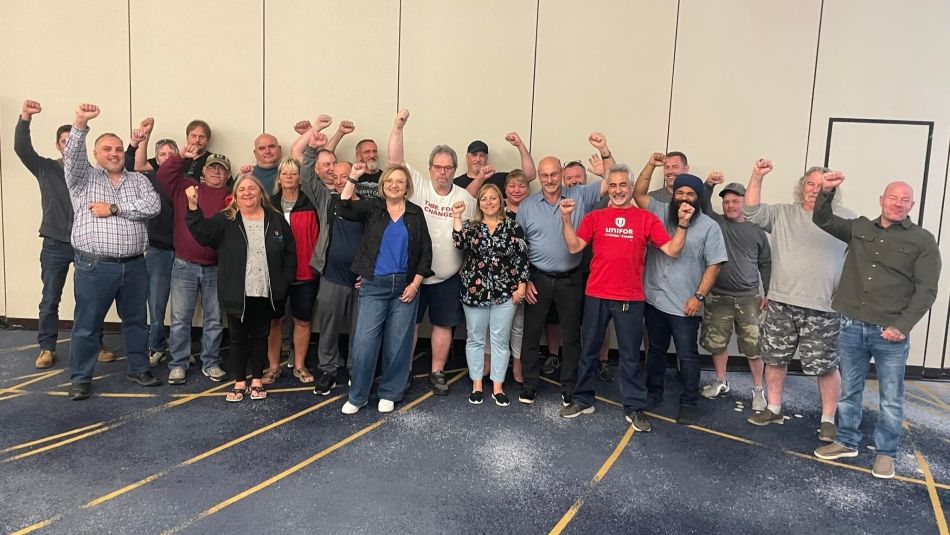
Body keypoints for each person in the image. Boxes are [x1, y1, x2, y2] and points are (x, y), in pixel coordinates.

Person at [811, 177, 940, 479]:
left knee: (891, 398)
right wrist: (826, 191)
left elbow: (927, 290)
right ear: (881, 199)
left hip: (890, 332)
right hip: (852, 325)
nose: (898, 203)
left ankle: (886, 454)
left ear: (912, 205)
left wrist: (902, 326)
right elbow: (822, 218)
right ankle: (846, 441)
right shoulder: (859, 228)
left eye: (904, 199)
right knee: (850, 390)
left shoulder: (922, 240)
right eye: (892, 197)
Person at [560, 165, 691, 430]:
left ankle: (634, 406)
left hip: (630, 297)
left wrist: (684, 224)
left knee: (631, 355)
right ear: (608, 187)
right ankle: (583, 399)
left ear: (631, 188)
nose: (618, 190)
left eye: (623, 185)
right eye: (614, 185)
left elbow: (673, 250)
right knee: (588, 350)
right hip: (596, 293)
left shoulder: (646, 219)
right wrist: (565, 219)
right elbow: (574, 247)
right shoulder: (595, 217)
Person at [743, 160, 854, 444]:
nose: (815, 190)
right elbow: (751, 210)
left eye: (822, 186)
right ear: (802, 187)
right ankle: (773, 408)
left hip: (823, 307)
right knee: (775, 360)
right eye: (810, 184)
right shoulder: (783, 214)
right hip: (781, 303)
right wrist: (757, 176)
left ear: (832, 190)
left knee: (826, 367)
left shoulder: (844, 219)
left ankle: (828, 419)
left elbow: (862, 259)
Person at [63, 103, 162, 400]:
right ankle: (80, 378)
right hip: (95, 266)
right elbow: (72, 158)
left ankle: (138, 368)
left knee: (136, 322)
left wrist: (114, 209)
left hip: (134, 265)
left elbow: (153, 207)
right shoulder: (83, 180)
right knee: (87, 324)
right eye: (107, 149)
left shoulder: (139, 180)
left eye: (119, 148)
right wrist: (80, 123)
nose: (115, 153)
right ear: (96, 154)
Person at [632, 153, 728, 425]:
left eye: (691, 194)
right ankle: (654, 392)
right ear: (673, 194)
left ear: (698, 198)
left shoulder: (709, 227)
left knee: (687, 356)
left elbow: (714, 265)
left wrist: (699, 297)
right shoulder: (660, 211)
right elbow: (638, 193)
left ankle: (688, 402)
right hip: (654, 299)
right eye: (680, 192)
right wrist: (651, 164)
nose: (685, 198)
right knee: (656, 351)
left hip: (685, 304)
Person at [185, 175, 296, 402]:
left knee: (260, 337)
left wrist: (283, 283)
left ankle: (256, 380)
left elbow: (290, 253)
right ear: (235, 195)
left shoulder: (275, 220)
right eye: (242, 189)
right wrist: (193, 206)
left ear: (260, 193)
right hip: (238, 292)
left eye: (252, 189)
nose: (247, 193)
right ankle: (239, 382)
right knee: (237, 338)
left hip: (265, 291)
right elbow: (203, 234)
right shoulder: (227, 219)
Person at [388, 109, 476, 396]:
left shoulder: (465, 198)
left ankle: (437, 371)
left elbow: (471, 237)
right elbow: (396, 161)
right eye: (438, 167)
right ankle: (405, 370)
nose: (443, 172)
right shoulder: (419, 187)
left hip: (448, 277)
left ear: (455, 169)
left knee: (443, 325)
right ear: (430, 169)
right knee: (408, 325)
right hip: (414, 274)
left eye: (449, 168)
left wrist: (464, 269)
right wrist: (398, 128)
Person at [336, 163, 433, 414]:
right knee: (365, 343)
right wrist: (353, 178)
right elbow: (343, 207)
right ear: (382, 184)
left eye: (400, 181)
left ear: (407, 186)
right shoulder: (373, 208)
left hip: (405, 287)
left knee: (397, 343)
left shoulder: (415, 213)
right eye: (390, 180)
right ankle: (357, 396)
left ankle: (390, 392)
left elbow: (425, 253)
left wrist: (415, 285)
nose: (394, 185)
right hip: (374, 286)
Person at [516, 149, 610, 405]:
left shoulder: (580, 194)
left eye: (554, 174)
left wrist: (605, 153)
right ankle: (530, 385)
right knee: (532, 335)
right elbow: (519, 247)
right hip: (538, 279)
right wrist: (526, 280)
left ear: (562, 174)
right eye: (544, 175)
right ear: (540, 177)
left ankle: (569, 387)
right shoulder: (527, 206)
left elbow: (612, 180)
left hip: (571, 279)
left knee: (571, 337)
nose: (549, 179)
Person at [157, 144, 231, 385]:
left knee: (214, 319)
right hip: (184, 265)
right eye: (212, 169)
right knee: (180, 318)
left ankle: (211, 362)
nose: (216, 173)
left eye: (222, 170)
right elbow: (163, 175)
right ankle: (178, 363)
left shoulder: (233, 196)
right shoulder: (187, 187)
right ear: (204, 172)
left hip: (217, 268)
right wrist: (181, 157)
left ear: (228, 175)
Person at [698, 176, 772, 411]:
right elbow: (702, 203)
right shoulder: (716, 223)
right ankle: (721, 382)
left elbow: (766, 263)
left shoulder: (757, 230)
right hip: (717, 296)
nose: (730, 205)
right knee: (717, 344)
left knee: (753, 347)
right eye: (726, 202)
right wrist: (709, 185)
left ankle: (758, 389)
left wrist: (769, 292)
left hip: (749, 298)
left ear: (744, 203)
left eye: (735, 201)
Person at [452, 184, 530, 406]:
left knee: (500, 340)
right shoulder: (473, 227)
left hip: (505, 293)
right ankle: (477, 384)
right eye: (484, 199)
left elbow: (522, 259)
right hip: (474, 292)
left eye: (493, 198)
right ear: (479, 204)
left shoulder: (513, 227)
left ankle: (498, 386)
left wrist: (521, 286)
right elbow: (458, 242)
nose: (488, 202)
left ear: (501, 201)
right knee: (475, 338)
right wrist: (456, 217)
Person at [302, 135, 363, 396]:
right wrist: (312, 147)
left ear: (354, 176)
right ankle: (327, 369)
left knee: (359, 329)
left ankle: (355, 370)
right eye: (335, 176)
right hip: (331, 275)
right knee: (328, 326)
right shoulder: (326, 199)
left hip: (361, 280)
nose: (338, 180)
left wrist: (369, 271)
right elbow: (306, 174)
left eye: (344, 176)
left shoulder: (369, 205)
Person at [125, 117, 177, 366]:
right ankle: (156, 346)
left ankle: (180, 351)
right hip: (158, 251)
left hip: (186, 253)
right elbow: (137, 163)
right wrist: (145, 136)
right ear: (157, 158)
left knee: (183, 309)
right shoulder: (150, 176)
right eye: (162, 154)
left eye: (171, 153)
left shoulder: (184, 180)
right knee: (155, 305)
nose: (167, 157)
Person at [264, 157, 320, 384]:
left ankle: (299, 365)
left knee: (303, 320)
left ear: (300, 178)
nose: (289, 177)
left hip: (305, 273)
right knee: (275, 321)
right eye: (285, 173)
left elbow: (317, 237)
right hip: (276, 274)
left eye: (293, 173)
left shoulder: (310, 203)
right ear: (279, 178)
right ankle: (273, 367)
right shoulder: (269, 205)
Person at [453, 133, 537, 197]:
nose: (478, 159)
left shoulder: (499, 179)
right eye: (474, 155)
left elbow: (529, 176)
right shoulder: (456, 183)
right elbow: (465, 199)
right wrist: (480, 178)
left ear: (486, 158)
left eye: (482, 155)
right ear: (467, 157)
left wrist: (520, 145)